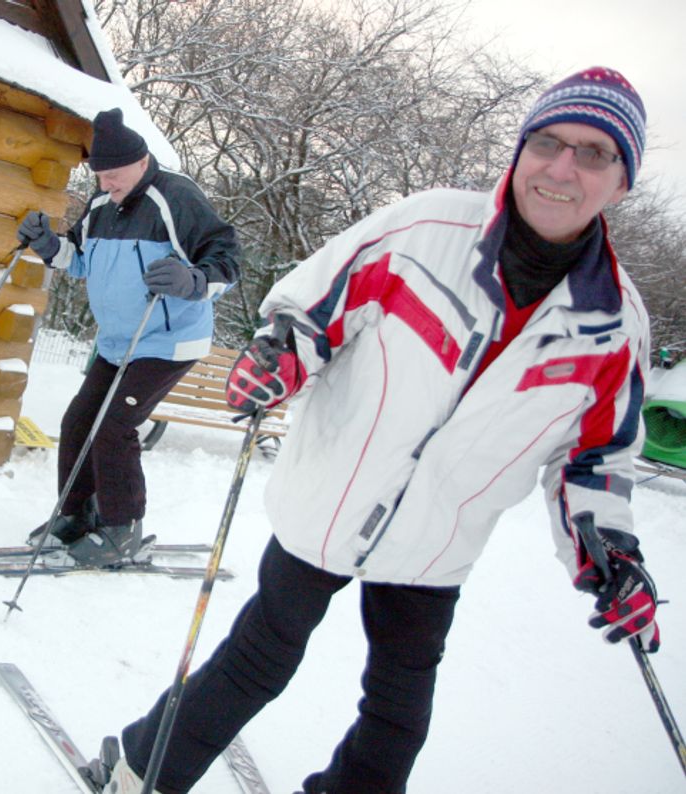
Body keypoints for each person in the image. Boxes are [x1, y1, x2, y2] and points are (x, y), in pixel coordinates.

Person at [94, 67, 660, 793]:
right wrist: (282, 356)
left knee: (398, 718)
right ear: (519, 151)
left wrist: (606, 549)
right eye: (547, 142)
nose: (561, 168)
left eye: (594, 153)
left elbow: (595, 461)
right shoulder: (427, 229)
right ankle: (141, 768)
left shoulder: (615, 329)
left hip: (439, 539)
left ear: (622, 181)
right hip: (332, 494)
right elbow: (313, 308)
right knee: (257, 660)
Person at [17, 108, 240, 566]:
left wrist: (192, 280)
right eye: (99, 176)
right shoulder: (101, 206)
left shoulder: (175, 198)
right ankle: (76, 515)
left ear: (141, 163)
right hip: (118, 342)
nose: (105, 185)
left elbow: (228, 260)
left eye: (114, 175)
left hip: (166, 341)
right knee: (78, 421)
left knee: (115, 425)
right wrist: (46, 244)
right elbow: (77, 259)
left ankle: (122, 528)